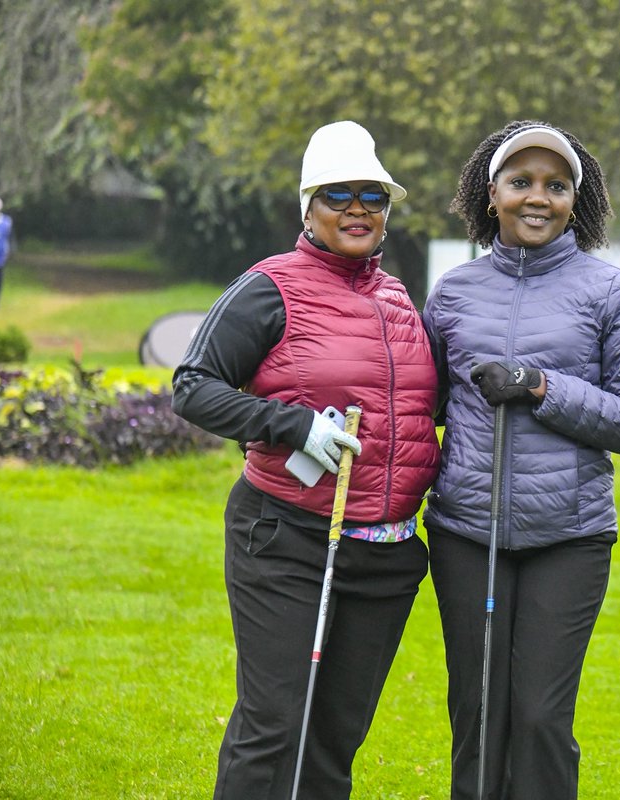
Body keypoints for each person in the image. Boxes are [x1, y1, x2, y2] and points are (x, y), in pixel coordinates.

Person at [171, 120, 440, 800]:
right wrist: (290, 426)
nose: (358, 208)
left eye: (372, 196)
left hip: (385, 555)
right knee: (273, 726)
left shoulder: (399, 299)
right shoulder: (270, 286)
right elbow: (194, 386)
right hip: (287, 536)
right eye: (338, 194)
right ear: (308, 209)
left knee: (333, 742)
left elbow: (418, 410)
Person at [422, 120, 620, 799]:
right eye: (522, 182)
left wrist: (542, 388)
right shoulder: (452, 293)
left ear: (574, 201)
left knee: (538, 718)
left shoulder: (608, 291)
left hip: (570, 535)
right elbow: (425, 407)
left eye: (556, 186)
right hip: (468, 533)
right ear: (490, 193)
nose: (539, 197)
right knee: (477, 711)